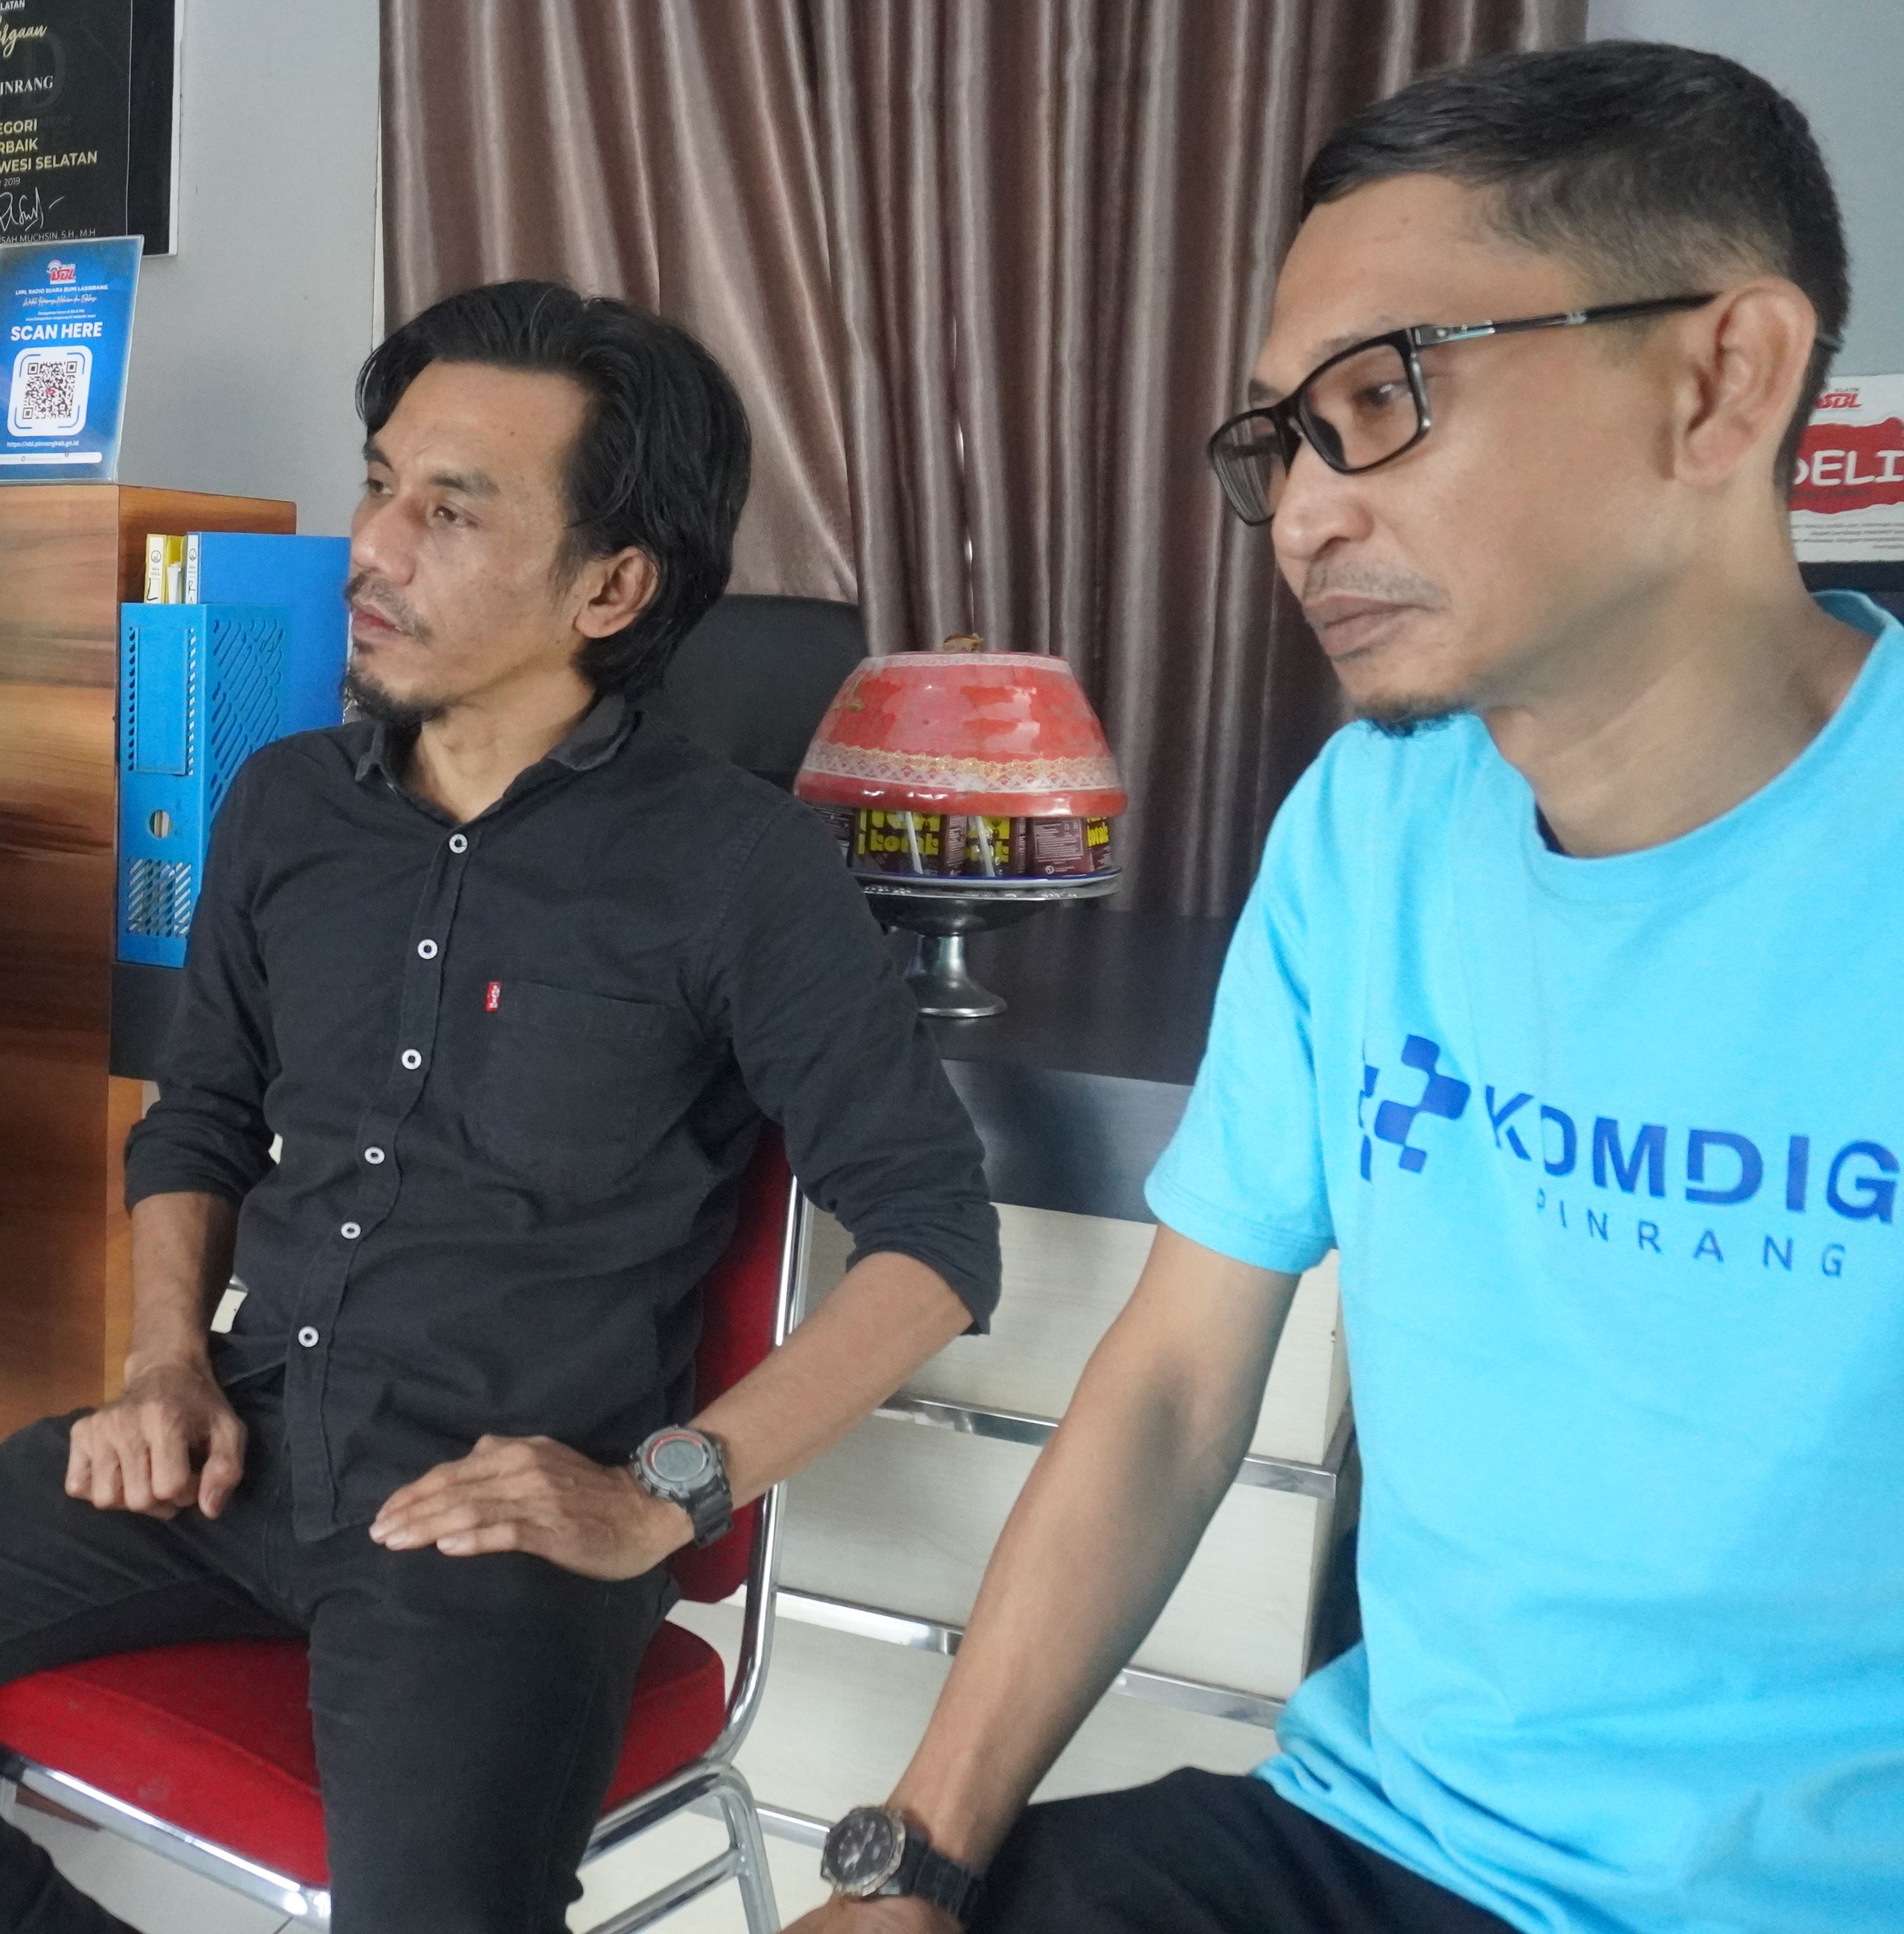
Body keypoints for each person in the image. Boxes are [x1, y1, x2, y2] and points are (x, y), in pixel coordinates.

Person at [0, 281, 1002, 1934]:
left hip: (493, 1516)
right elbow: (200, 1115)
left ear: (611, 584)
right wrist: (162, 1362)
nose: (371, 546)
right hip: (235, 1439)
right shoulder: (285, 803)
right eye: (380, 483)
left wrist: (665, 1490)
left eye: (452, 511)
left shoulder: (741, 865)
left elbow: (937, 1239)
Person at [792, 42, 1900, 1934]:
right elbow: (1173, 1384)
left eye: (1385, 399)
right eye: (1285, 437)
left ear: (1723, 378)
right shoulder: (1371, 824)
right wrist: (922, 1859)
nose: (1303, 512)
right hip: (1385, 1844)